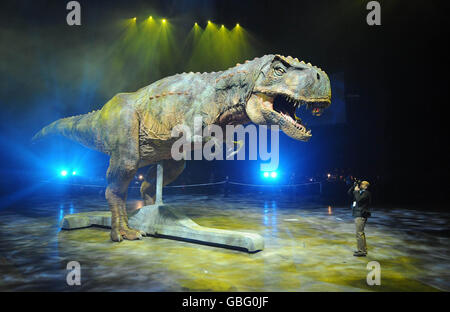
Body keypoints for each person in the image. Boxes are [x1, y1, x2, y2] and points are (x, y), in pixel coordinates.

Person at [348, 180, 372, 257]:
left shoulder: (366, 193)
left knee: (359, 233)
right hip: (358, 214)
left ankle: (362, 251)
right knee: (359, 233)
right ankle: (362, 250)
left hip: (361, 215)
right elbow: (349, 193)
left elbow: (358, 199)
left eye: (362, 184)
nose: (360, 185)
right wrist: (353, 187)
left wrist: (356, 191)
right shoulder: (360, 192)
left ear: (366, 186)